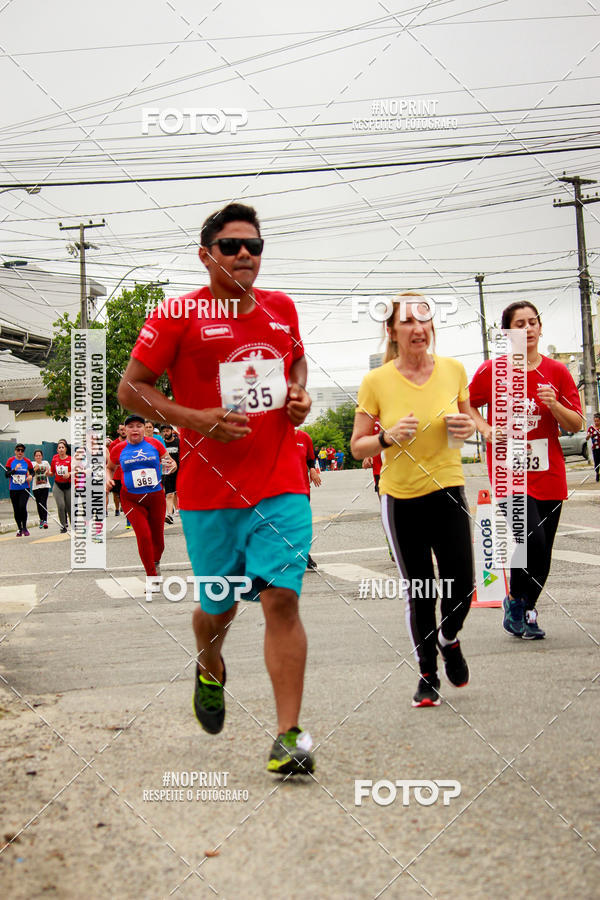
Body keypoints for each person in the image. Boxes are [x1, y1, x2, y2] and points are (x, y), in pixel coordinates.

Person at [118, 202, 315, 775]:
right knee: (218, 606)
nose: (246, 254)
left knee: (282, 597)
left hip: (280, 483)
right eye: (231, 246)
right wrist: (195, 418)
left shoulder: (281, 309)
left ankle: (289, 735)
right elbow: (133, 390)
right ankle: (210, 666)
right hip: (209, 493)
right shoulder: (177, 314)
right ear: (206, 255)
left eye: (254, 244)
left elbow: (297, 365)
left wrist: (300, 395)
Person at [351, 293, 475, 708]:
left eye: (424, 319)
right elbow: (357, 447)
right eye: (407, 321)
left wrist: (466, 427)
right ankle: (427, 674)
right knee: (420, 590)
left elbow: (467, 423)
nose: (418, 328)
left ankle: (449, 637)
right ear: (392, 331)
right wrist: (386, 437)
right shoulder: (377, 381)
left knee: (463, 586)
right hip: (401, 497)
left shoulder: (454, 370)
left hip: (448, 488)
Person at [469, 301, 583, 640]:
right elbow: (466, 404)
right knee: (530, 537)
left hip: (548, 472)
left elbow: (576, 423)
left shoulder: (557, 372)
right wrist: (486, 430)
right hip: (509, 472)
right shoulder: (492, 370)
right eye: (520, 324)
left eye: (533, 322)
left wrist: (554, 404)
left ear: (541, 328)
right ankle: (520, 604)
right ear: (507, 332)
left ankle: (522, 605)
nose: (528, 329)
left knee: (542, 549)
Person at [106, 414, 175, 582]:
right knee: (143, 535)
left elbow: (170, 462)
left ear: (144, 428)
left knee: (158, 540)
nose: (135, 429)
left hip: (155, 497)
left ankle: (155, 562)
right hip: (131, 499)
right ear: (125, 430)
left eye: (138, 426)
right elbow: (109, 468)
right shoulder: (118, 449)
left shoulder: (155, 444)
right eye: (131, 427)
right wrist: (107, 478)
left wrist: (172, 466)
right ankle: (151, 576)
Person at [295, 427, 322, 569]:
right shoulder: (273, 437)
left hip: (302, 488)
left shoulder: (304, 437)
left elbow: (310, 458)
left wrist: (312, 469)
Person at [5, 443, 33, 536]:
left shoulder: (27, 461)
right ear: (15, 451)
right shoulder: (11, 461)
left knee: (22, 506)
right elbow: (7, 474)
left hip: (24, 488)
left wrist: (30, 476)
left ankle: (24, 527)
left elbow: (32, 472)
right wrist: (14, 469)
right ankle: (19, 528)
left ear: (23, 452)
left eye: (22, 450)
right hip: (13, 488)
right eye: (18, 450)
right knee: (16, 509)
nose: (20, 452)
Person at [160, 423, 180, 524]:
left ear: (172, 431)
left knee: (179, 492)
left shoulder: (178, 442)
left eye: (167, 431)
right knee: (169, 494)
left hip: (180, 471)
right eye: (163, 431)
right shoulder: (162, 444)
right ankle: (169, 515)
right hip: (167, 472)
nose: (165, 433)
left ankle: (179, 510)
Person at [51, 439, 71, 533]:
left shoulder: (70, 459)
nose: (61, 449)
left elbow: (77, 471)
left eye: (63, 447)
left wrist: (69, 474)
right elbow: (52, 472)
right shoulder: (55, 459)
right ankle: (63, 525)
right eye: (59, 448)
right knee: (61, 505)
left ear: (66, 449)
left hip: (68, 485)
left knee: (69, 506)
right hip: (58, 485)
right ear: (57, 450)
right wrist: (48, 473)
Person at [108, 424, 126, 516]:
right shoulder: (114, 444)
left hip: (125, 472)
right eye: (121, 430)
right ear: (118, 431)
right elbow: (110, 458)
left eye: (124, 429)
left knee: (124, 491)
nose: (123, 431)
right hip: (116, 472)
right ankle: (117, 508)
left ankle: (124, 506)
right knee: (115, 493)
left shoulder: (130, 442)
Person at [32, 448, 51, 528]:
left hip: (45, 486)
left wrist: (48, 473)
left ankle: (45, 520)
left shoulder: (45, 463)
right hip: (36, 487)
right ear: (34, 457)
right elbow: (30, 474)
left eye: (39, 455)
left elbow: (50, 472)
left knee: (44, 502)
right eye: (37, 456)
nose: (38, 457)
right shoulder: (32, 464)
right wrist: (34, 470)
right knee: (39, 503)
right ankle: (41, 520)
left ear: (42, 456)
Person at [587, 413, 600, 482]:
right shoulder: (591, 429)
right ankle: (597, 474)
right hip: (595, 448)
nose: (596, 422)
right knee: (596, 462)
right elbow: (586, 438)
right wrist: (588, 436)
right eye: (595, 421)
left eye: (598, 421)